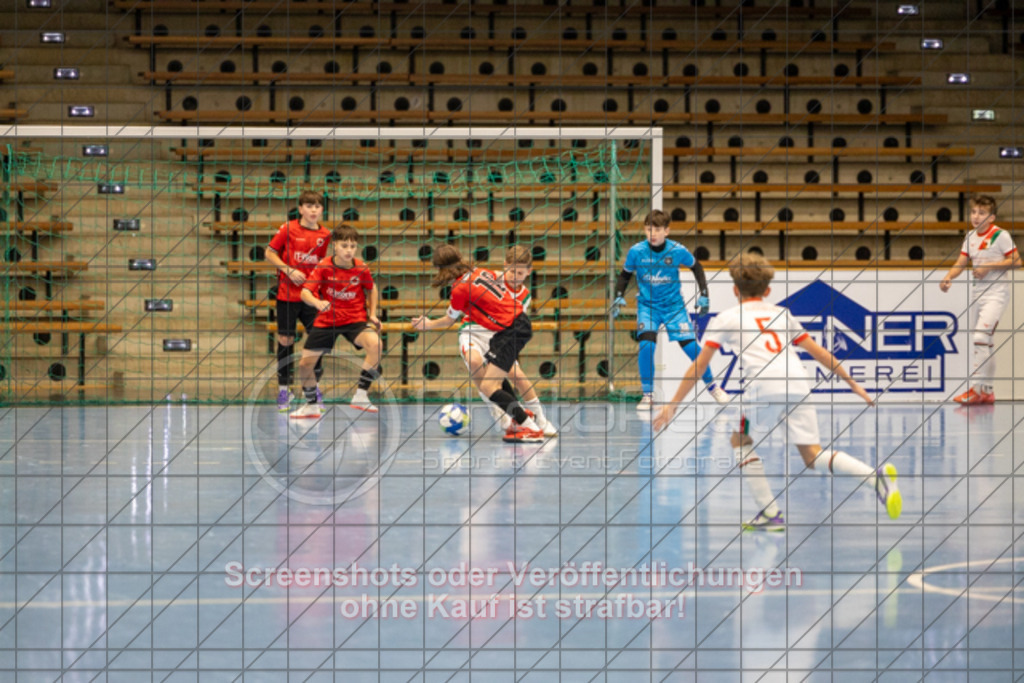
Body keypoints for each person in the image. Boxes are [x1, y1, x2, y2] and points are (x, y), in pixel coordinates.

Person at [652, 253, 902, 530]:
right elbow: (819, 352)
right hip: (797, 384)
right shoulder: (782, 314)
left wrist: (673, 404)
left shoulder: (726, 318)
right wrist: (853, 383)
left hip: (764, 387)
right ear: (768, 291)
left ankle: (770, 514)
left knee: (740, 440)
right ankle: (875, 478)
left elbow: (699, 366)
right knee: (813, 456)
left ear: (735, 290)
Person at [411, 245, 548, 442]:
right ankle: (523, 417)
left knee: (489, 386)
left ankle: (529, 426)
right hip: (509, 327)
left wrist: (427, 324)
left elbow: (449, 320)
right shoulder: (479, 271)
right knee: (490, 382)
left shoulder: (459, 288)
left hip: (510, 330)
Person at [612, 209, 728, 414]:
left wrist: (704, 294)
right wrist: (619, 295)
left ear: (667, 231)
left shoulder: (677, 250)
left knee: (692, 348)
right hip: (648, 307)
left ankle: (713, 387)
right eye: (648, 229)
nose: (652, 234)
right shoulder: (636, 251)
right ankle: (648, 395)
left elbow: (697, 267)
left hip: (674, 307)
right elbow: (625, 275)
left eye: (657, 229)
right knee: (646, 345)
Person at [289, 225, 382, 418]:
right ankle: (311, 405)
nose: (349, 250)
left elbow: (371, 289)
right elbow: (305, 292)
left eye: (353, 246)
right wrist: (317, 302)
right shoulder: (324, 266)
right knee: (305, 365)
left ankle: (361, 396)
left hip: (355, 319)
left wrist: (372, 314)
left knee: (376, 345)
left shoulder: (361, 268)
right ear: (335, 247)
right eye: (344, 245)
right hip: (327, 320)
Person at [939, 194, 1021, 405]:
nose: (976, 216)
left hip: (997, 295)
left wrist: (988, 267)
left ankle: (975, 389)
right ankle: (987, 391)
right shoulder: (970, 237)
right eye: (974, 212)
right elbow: (961, 262)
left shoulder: (1000, 236)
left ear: (991, 217)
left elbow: (1017, 261)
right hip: (978, 295)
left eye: (982, 213)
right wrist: (948, 277)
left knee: (979, 337)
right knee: (986, 343)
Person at [265, 191, 332, 411]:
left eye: (317, 206)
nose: (314, 210)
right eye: (309, 206)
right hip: (287, 294)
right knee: (286, 340)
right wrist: (288, 270)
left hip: (311, 297)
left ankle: (312, 391)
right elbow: (269, 252)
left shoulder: (325, 234)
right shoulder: (288, 228)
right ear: (301, 208)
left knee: (317, 341)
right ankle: (284, 391)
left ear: (322, 210)